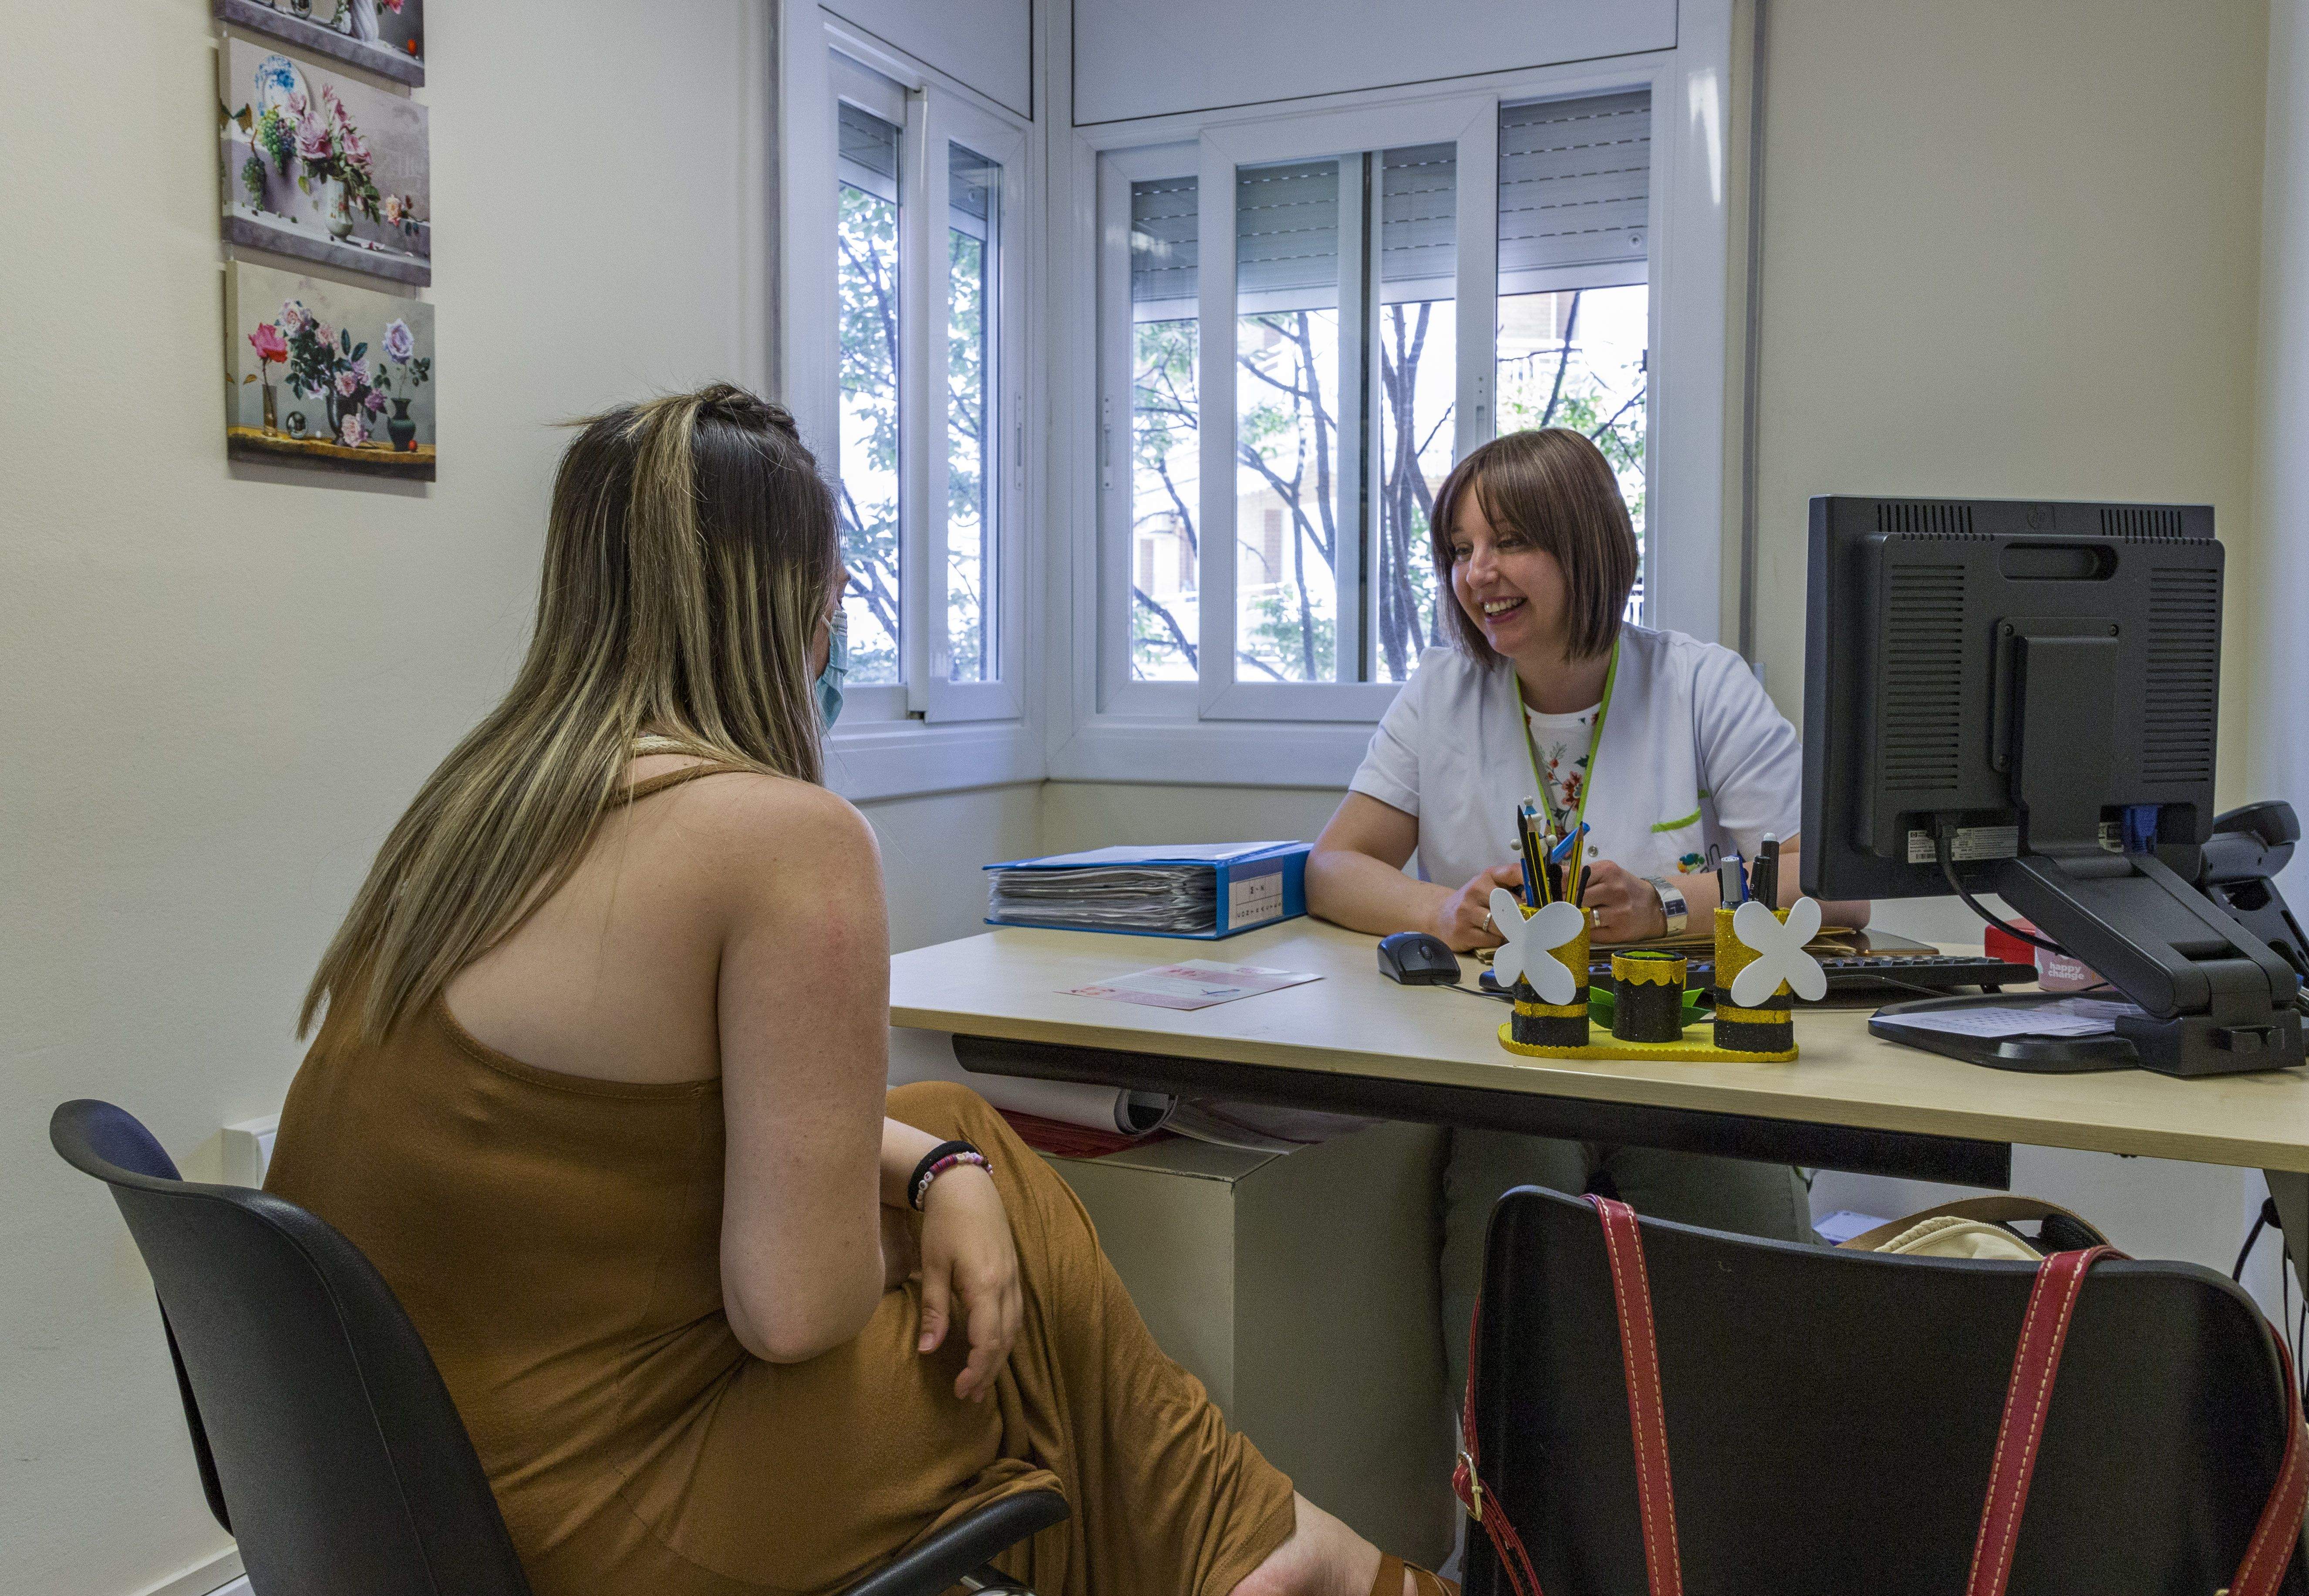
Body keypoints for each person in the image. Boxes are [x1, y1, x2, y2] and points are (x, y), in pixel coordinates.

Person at [268, 386, 1448, 1596]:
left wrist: (944, 1178)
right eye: (833, 598)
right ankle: (1287, 1560)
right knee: (1022, 1305)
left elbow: (637, 1155)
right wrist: (971, 1223)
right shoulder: (786, 840)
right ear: (792, 606)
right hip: (587, 1522)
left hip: (389, 1491)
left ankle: (1273, 1556)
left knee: (960, 1133)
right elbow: (791, 1311)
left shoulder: (478, 807)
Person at [1304, 427, 1869, 1413]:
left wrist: (1662, 907)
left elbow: (1832, 885)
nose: (1478, 573)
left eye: (1510, 541)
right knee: (1512, 1297)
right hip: (1518, 1068)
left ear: (1587, 546)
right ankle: (1498, 1532)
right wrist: (1446, 910)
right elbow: (1333, 867)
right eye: (1458, 548)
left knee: (1740, 1328)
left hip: (1691, 1064)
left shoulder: (1700, 683)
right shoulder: (1439, 698)